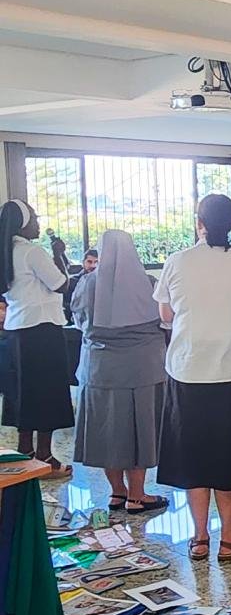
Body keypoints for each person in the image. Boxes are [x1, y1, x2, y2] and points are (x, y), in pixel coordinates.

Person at [154, 194, 231, 561]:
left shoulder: (177, 261)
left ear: (198, 223)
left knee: (193, 456)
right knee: (228, 456)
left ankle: (200, 538)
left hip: (188, 371)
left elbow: (167, 315)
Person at [71, 229, 169, 513]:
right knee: (138, 432)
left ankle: (117, 493)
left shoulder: (87, 284)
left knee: (108, 431)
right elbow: (164, 322)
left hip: (99, 370)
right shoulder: (149, 284)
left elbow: (79, 321)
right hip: (142, 371)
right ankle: (138, 496)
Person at [0, 200, 75, 478]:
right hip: (43, 330)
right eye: (34, 218)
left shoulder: (7, 252)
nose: (39, 223)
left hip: (17, 331)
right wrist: (59, 255)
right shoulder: (33, 252)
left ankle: (24, 452)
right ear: (22, 223)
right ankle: (45, 457)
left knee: (24, 392)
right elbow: (61, 284)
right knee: (47, 392)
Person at [63, 248, 98, 324]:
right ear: (83, 263)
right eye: (89, 262)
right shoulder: (72, 282)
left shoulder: (103, 284)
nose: (93, 265)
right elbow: (65, 305)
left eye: (96, 262)